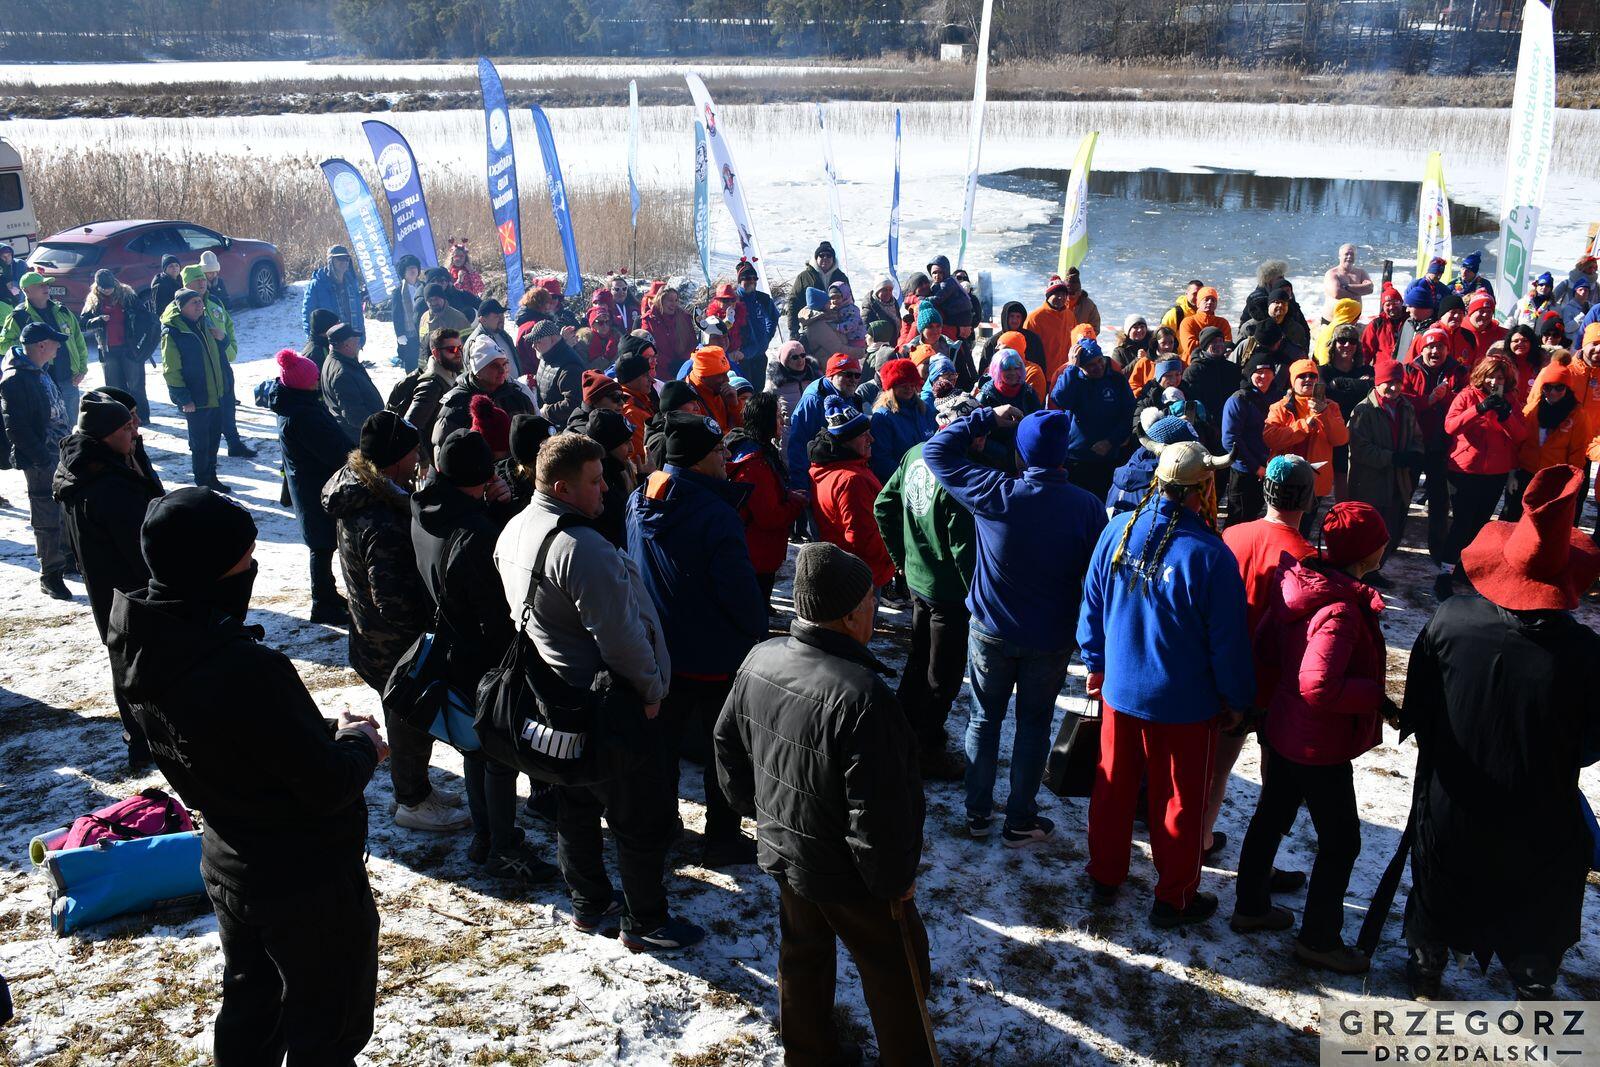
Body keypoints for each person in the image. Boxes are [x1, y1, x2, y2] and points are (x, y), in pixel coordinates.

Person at [105, 487, 387, 1065]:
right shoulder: (242, 668)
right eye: (244, 559)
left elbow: (230, 736)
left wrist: (313, 733)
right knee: (328, 1028)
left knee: (251, 1005)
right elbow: (326, 785)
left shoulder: (143, 638)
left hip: (229, 856)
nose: (252, 569)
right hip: (304, 879)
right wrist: (361, 745)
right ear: (209, 570)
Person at [714, 542, 932, 1066]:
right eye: (871, 599)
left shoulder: (760, 658)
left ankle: (809, 1055)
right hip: (850, 875)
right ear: (850, 614)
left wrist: (761, 813)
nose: (876, 607)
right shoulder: (863, 698)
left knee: (802, 957)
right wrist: (895, 881)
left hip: (787, 852)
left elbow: (726, 745)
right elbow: (880, 812)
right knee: (896, 971)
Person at [1401, 464, 1600, 1000]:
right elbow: (1591, 744)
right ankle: (1532, 977)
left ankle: (1427, 961)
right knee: (1540, 886)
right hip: (1539, 804)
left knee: (1442, 866)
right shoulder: (1586, 654)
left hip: (1454, 794)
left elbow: (1419, 710)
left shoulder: (1449, 620)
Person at [495, 432, 699, 949]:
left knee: (576, 802)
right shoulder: (580, 548)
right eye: (595, 480)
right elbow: (622, 638)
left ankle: (588, 903)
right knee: (639, 816)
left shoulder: (515, 527)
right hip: (606, 703)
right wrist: (652, 691)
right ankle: (646, 922)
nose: (606, 487)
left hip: (554, 696)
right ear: (562, 488)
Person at [1079, 441, 1249, 927]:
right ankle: (1174, 898)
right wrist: (1237, 698)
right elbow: (1228, 643)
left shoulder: (1118, 529)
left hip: (1120, 691)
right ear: (1203, 488)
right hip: (1183, 705)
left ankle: (1104, 874)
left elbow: (1091, 604)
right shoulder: (1210, 555)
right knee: (1178, 800)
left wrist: (1095, 661)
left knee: (1113, 787)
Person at [925, 406, 1106, 844]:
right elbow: (1098, 578)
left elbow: (936, 451)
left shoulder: (995, 491)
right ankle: (1020, 819)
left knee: (983, 720)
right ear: (1064, 454)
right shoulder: (1086, 507)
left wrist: (986, 417)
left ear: (1021, 453)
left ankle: (977, 814)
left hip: (991, 631)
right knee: (1033, 725)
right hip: (1051, 636)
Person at [1233, 502, 1390, 974]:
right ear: (1367, 552)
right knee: (1341, 842)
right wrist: (1374, 695)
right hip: (1317, 744)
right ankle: (1319, 940)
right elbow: (1319, 685)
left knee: (1271, 815)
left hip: (1284, 726)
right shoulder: (1339, 608)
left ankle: (1251, 906)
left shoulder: (1302, 583)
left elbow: (1265, 645)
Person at [412, 428, 558, 881]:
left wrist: (488, 510)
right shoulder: (474, 533)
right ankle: (502, 848)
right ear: (483, 475)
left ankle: (485, 836)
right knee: (497, 755)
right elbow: (494, 609)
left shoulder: (423, 508)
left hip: (451, 650)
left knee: (475, 751)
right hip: (484, 659)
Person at [627, 411, 766, 868]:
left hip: (659, 653)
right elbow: (740, 594)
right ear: (697, 460)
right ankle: (722, 838)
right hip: (714, 658)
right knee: (723, 749)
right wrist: (756, 634)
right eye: (718, 451)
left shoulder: (638, 498)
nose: (726, 457)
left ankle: (661, 828)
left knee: (662, 750)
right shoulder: (716, 515)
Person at [322, 410, 468, 833]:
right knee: (409, 723)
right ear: (393, 460)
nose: (418, 457)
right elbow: (392, 599)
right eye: (412, 451)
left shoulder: (362, 491)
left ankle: (416, 788)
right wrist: (428, 630)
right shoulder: (381, 519)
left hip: (372, 637)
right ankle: (413, 801)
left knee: (407, 720)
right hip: (394, 646)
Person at [1213, 453, 1319, 863]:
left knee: (1217, 769)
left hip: (1230, 673)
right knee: (1274, 785)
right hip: (1275, 684)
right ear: (1308, 500)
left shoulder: (1233, 534)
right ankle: (1260, 869)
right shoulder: (1307, 556)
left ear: (1265, 490)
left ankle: (1200, 840)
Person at [875, 392, 981, 781]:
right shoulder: (958, 473)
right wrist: (980, 599)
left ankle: (902, 731)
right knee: (944, 674)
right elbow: (963, 548)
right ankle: (925, 748)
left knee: (919, 659)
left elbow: (883, 506)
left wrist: (903, 560)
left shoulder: (915, 453)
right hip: (949, 593)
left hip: (919, 581)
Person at [54, 392, 164, 766]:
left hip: (107, 586)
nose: (135, 431)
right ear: (105, 435)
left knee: (127, 660)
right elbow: (140, 542)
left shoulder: (88, 467)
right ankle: (146, 743)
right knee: (137, 665)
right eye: (126, 427)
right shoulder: (107, 485)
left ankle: (141, 738)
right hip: (129, 587)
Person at [260, 348, 353, 625]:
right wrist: (352, 455)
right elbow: (330, 450)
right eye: (313, 378)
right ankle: (321, 602)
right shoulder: (301, 415)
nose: (317, 381)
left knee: (323, 544)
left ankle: (327, 594)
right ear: (303, 383)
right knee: (321, 545)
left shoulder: (296, 402)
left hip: (310, 484)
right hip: (314, 488)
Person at [1437, 354, 1525, 601]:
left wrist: (1506, 416)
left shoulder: (1510, 400)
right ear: (1481, 376)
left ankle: (1465, 568)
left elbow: (1521, 435)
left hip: (1495, 472)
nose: (1494, 382)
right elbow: (1450, 426)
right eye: (1490, 376)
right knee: (1462, 522)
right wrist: (1479, 409)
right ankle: (1445, 573)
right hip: (1465, 470)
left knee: (1479, 524)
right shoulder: (1467, 396)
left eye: (1500, 377)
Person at [0, 321, 71, 597]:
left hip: (59, 453)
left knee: (64, 510)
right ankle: (50, 574)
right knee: (46, 517)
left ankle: (67, 560)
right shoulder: (15, 379)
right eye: (54, 342)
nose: (58, 346)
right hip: (41, 459)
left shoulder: (40, 370)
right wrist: (41, 458)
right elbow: (16, 427)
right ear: (41, 345)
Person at [1346, 355, 1423, 584]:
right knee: (1367, 528)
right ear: (1377, 383)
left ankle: (1374, 570)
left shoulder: (1406, 407)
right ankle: (1356, 572)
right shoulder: (1363, 410)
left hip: (1398, 480)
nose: (1393, 388)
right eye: (1388, 382)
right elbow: (1359, 448)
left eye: (1397, 382)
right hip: (1370, 481)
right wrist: (1391, 458)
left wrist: (1415, 453)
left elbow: (1417, 436)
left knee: (1390, 528)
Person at [726, 392, 806, 610]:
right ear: (766, 420)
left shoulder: (760, 451)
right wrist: (796, 504)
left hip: (759, 551)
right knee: (755, 610)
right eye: (778, 416)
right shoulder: (756, 465)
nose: (783, 421)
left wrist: (788, 496)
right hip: (756, 553)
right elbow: (770, 517)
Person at [808, 396, 895, 594]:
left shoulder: (831, 467)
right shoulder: (851, 481)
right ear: (846, 441)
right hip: (862, 575)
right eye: (864, 435)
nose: (871, 439)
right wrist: (894, 552)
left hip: (845, 569)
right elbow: (861, 539)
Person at [1402, 325, 1470, 575]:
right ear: (1422, 349)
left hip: (1443, 445)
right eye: (1430, 346)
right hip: (1413, 442)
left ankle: (1438, 549)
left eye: (1439, 346)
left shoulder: (1459, 372)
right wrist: (1428, 400)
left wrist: (1445, 398)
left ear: (1447, 350)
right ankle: (1390, 542)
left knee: (1440, 501)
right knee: (1402, 495)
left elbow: (1466, 402)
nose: (1434, 351)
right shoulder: (1410, 370)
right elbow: (1402, 399)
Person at [1263, 359, 1348, 535]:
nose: (1308, 379)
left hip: (1314, 483)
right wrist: (1304, 426)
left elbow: (1341, 439)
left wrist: (1323, 413)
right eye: (1302, 376)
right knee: (1280, 529)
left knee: (1303, 531)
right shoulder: (1279, 407)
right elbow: (1271, 439)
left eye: (1312, 376)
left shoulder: (1331, 407)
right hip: (1284, 481)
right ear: (1292, 381)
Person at [156, 289, 229, 492]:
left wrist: (223, 338)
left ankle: (212, 477)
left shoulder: (204, 322)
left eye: (200, 301)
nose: (200, 305)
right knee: (200, 444)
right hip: (196, 399)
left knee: (214, 439)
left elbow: (219, 351)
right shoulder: (173, 332)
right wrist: (183, 398)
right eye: (194, 302)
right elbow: (171, 369)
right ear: (182, 308)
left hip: (215, 394)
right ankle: (202, 482)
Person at [1048, 336, 1135, 501]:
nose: (1098, 367)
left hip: (1108, 456)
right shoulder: (1073, 380)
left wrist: (1111, 441)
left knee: (1103, 502)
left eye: (1100, 361)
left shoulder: (1116, 380)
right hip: (1077, 457)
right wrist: (1071, 368)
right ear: (1081, 366)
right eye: (1091, 365)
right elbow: (1060, 399)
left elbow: (1128, 414)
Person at [2, 270, 89, 422]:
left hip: (69, 378)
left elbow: (78, 340)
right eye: (40, 285)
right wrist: (28, 344)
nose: (46, 287)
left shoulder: (62, 310)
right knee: (49, 424)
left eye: (47, 284)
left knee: (72, 424)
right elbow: (2, 345)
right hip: (40, 381)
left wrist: (82, 369)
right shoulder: (18, 316)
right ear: (26, 291)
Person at [79, 268, 155, 422]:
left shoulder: (127, 296)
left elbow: (146, 318)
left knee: (136, 386)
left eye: (110, 287)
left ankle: (142, 417)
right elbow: (82, 323)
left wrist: (142, 343)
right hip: (108, 350)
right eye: (104, 288)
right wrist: (98, 320)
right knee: (114, 388)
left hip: (130, 348)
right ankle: (121, 419)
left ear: (115, 283)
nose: (107, 291)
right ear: (97, 286)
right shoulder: (93, 300)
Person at [434, 349, 534, 456]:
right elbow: (445, 453)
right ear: (478, 372)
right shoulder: (456, 405)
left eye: (504, 364)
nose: (502, 370)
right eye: (494, 366)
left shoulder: (518, 397)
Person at [785, 352, 861, 493]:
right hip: (821, 478)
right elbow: (798, 445)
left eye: (857, 375)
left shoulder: (848, 395)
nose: (853, 380)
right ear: (831, 376)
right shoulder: (813, 401)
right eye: (848, 375)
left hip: (844, 473)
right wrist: (802, 488)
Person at [1222, 351, 1277, 524]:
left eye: (1268, 372)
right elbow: (1230, 439)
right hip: (1245, 471)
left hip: (1270, 468)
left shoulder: (1278, 398)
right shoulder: (1239, 400)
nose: (1263, 376)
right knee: (1239, 517)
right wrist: (1256, 467)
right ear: (1250, 374)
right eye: (1258, 372)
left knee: (1256, 516)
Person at [868, 357, 936, 483]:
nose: (909, 389)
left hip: (929, 477)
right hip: (903, 483)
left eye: (912, 384)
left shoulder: (923, 409)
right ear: (891, 387)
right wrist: (911, 478)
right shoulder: (883, 417)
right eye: (903, 385)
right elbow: (881, 461)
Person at [320, 322, 385, 443]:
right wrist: (380, 428)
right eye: (356, 341)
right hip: (361, 438)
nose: (359, 345)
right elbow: (355, 416)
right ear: (346, 345)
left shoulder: (337, 360)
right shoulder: (342, 374)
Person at [301, 245, 365, 343]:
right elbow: (307, 315)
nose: (344, 262)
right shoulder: (317, 284)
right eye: (339, 258)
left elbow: (359, 313)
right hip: (329, 343)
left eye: (346, 258)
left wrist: (361, 338)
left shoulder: (352, 283)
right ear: (330, 261)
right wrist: (314, 341)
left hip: (352, 341)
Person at [531, 319, 588, 426]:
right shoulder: (546, 355)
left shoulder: (570, 367)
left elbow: (574, 404)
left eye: (537, 341)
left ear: (552, 339)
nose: (533, 346)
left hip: (566, 428)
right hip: (550, 424)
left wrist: (547, 411)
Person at [787, 241, 849, 339]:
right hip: (812, 326)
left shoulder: (841, 277)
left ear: (833, 258)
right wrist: (793, 330)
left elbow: (849, 300)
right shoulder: (804, 277)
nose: (825, 258)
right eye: (821, 255)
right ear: (816, 258)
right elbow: (793, 302)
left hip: (838, 326)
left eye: (829, 255)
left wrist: (850, 322)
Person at [1024, 275, 1079, 383]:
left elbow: (1075, 341)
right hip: (1042, 375)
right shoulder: (1035, 318)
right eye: (1056, 294)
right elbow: (1027, 348)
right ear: (1048, 296)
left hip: (1065, 373)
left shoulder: (1070, 315)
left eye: (1063, 294)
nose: (1061, 297)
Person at [733, 260, 778, 389]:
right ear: (740, 280)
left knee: (758, 391)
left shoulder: (763, 298)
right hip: (742, 357)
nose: (752, 281)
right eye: (747, 278)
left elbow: (773, 318)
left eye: (754, 278)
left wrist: (767, 337)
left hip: (759, 356)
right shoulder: (733, 300)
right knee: (744, 392)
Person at [642, 286, 697, 379]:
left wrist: (684, 362)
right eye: (670, 300)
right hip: (659, 372)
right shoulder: (649, 320)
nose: (674, 304)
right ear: (660, 300)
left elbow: (692, 343)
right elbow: (647, 347)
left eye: (676, 300)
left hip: (684, 370)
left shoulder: (684, 318)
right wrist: (668, 363)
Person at [685, 345, 744, 432]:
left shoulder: (721, 391)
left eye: (726, 373)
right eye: (721, 375)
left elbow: (744, 426)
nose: (727, 380)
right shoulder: (688, 400)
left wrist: (734, 405)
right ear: (703, 377)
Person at [388, 254, 424, 371]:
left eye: (414, 267)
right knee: (412, 364)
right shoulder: (398, 292)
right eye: (409, 268)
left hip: (425, 330)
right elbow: (396, 314)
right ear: (403, 272)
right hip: (409, 334)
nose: (413, 270)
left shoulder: (425, 287)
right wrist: (400, 334)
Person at [1177, 286, 1231, 360]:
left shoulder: (1223, 322)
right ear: (1198, 303)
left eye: (1213, 300)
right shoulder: (1188, 322)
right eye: (1206, 299)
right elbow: (1190, 347)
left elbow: (1227, 344)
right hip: (1192, 363)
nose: (1210, 302)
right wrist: (1216, 346)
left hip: (1217, 363)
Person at [1322, 243, 1374, 319]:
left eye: (1352, 254)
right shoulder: (1332, 273)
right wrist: (1360, 291)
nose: (1349, 256)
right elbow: (1337, 294)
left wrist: (1346, 287)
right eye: (1346, 254)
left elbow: (1370, 289)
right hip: (1331, 321)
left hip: (1353, 320)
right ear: (1339, 256)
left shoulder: (1361, 272)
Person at [1361, 284, 1407, 366]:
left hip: (1405, 368)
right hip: (1383, 369)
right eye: (1388, 305)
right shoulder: (1376, 325)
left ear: (1401, 302)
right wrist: (1363, 369)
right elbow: (1366, 351)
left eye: (1395, 303)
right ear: (1383, 306)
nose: (1392, 307)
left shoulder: (1410, 321)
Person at [418, 282, 471, 349]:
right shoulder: (424, 318)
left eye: (436, 299)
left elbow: (468, 343)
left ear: (443, 298)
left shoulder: (458, 318)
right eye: (430, 300)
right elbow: (422, 342)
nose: (434, 302)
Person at [148, 253, 182, 319]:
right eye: (171, 266)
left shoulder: (180, 279)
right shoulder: (160, 285)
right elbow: (158, 310)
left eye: (176, 265)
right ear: (165, 269)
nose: (174, 268)